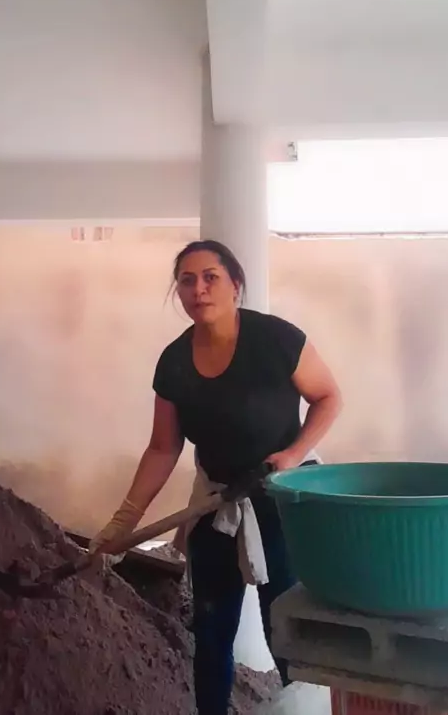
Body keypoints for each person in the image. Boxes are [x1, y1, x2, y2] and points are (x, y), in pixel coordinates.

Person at [90, 239, 342, 715]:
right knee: (210, 630)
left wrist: (293, 454)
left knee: (285, 626)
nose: (199, 289)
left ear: (235, 285)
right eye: (187, 281)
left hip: (281, 497)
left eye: (211, 277)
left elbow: (328, 397)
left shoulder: (276, 339)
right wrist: (124, 521)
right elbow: (163, 447)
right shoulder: (174, 363)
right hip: (217, 499)